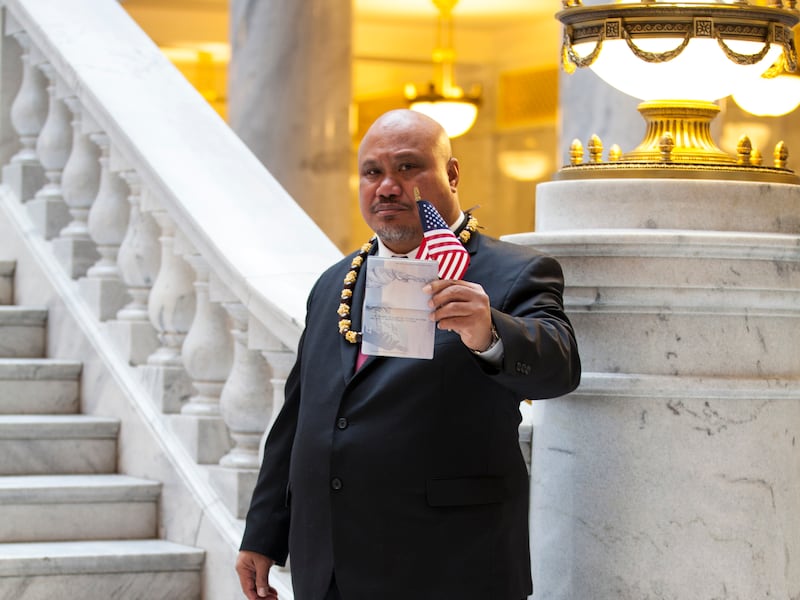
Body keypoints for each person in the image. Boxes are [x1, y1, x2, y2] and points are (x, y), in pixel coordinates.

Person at [235, 109, 581, 600]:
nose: (388, 186)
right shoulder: (334, 281)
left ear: (452, 175)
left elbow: (560, 371)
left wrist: (490, 332)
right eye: (373, 172)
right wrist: (264, 533)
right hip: (330, 565)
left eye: (407, 167)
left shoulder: (514, 273)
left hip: (448, 567)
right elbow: (299, 416)